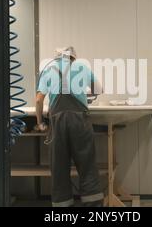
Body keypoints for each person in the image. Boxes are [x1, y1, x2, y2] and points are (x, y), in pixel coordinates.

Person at [35, 46, 104, 207]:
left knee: (59, 168)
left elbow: (38, 100)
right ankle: (93, 207)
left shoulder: (48, 70)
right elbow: (98, 89)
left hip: (57, 123)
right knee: (87, 165)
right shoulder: (82, 67)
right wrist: (81, 93)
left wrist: (39, 123)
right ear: (73, 57)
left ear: (57, 58)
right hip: (80, 121)